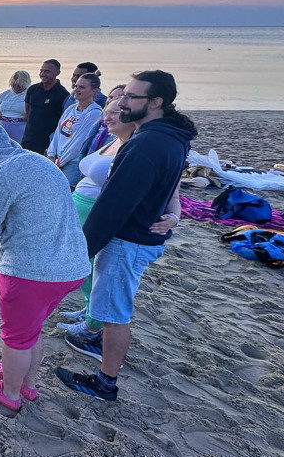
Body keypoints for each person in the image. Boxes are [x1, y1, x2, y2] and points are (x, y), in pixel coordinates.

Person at [57, 71, 197, 402]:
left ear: (156, 102)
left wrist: (82, 250)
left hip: (129, 241)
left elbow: (114, 205)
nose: (122, 102)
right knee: (111, 312)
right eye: (124, 96)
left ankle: (105, 384)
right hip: (138, 237)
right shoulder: (167, 135)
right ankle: (105, 374)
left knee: (113, 316)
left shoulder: (148, 144)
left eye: (131, 97)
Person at [0, 122, 89, 412]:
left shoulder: (2, 173)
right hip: (71, 266)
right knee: (32, 331)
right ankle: (27, 383)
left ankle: (10, 392)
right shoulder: (39, 161)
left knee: (16, 339)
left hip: (31, 271)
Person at [58, 97, 181, 342]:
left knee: (94, 270)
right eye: (106, 112)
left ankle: (93, 323)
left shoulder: (139, 148)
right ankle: (88, 310)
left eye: (115, 112)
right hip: (79, 208)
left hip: (98, 213)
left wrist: (174, 217)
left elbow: (172, 192)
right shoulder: (111, 141)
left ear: (132, 116)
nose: (107, 117)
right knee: (87, 270)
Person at [47, 73, 104, 188]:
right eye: (76, 86)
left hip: (72, 163)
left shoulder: (94, 113)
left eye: (82, 87)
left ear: (94, 90)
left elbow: (79, 142)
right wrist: (51, 154)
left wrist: (60, 162)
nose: (76, 89)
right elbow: (58, 133)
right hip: (57, 160)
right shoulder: (71, 109)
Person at [21, 59, 71, 154]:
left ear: (57, 72)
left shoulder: (63, 94)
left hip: (47, 142)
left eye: (47, 71)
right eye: (41, 70)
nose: (43, 74)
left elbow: (64, 119)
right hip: (28, 139)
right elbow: (28, 112)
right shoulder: (32, 90)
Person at [0, 70, 31, 144]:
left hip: (20, 126)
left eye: (19, 86)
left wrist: (29, 114)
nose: (16, 88)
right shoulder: (7, 93)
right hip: (3, 124)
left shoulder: (29, 93)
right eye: (14, 85)